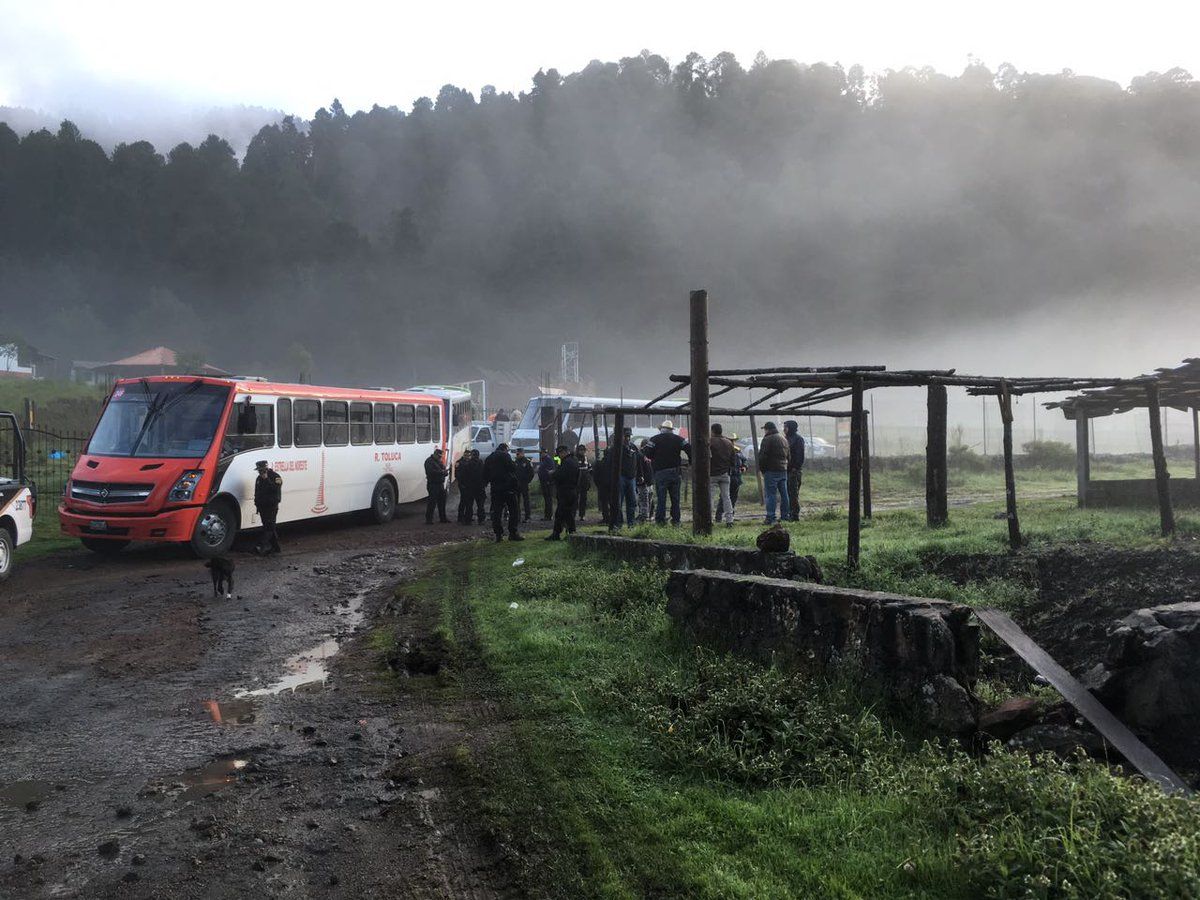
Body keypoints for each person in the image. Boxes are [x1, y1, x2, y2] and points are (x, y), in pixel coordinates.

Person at [642, 420, 692, 526]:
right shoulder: (679, 439)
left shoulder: (654, 439)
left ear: (662, 429)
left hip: (660, 473)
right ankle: (676, 521)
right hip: (675, 473)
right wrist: (691, 462)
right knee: (675, 498)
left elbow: (648, 454)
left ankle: (660, 521)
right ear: (671, 430)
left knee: (661, 498)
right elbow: (689, 449)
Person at [483, 443, 523, 542]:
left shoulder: (489, 458)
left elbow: (485, 474)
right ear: (505, 449)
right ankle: (513, 533)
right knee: (513, 510)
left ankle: (498, 535)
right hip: (508, 488)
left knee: (497, 512)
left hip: (495, 488)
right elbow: (513, 468)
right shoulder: (505, 456)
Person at [546, 444, 580, 540]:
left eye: (559, 453)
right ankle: (562, 533)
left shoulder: (567, 462)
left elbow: (561, 475)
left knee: (564, 513)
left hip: (566, 491)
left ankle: (568, 533)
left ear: (563, 452)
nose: (559, 456)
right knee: (564, 513)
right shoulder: (574, 460)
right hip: (572, 490)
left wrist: (553, 474)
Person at [759, 421, 790, 524]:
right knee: (784, 494)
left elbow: (763, 456)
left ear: (767, 429)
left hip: (771, 470)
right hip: (783, 470)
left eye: (764, 429)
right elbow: (789, 456)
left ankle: (771, 518)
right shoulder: (783, 439)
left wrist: (762, 469)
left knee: (771, 494)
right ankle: (785, 516)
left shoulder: (767, 439)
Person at [709, 423, 737, 527]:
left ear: (712, 430)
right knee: (726, 497)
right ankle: (729, 520)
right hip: (725, 474)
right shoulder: (729, 442)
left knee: (710, 497)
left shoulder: (710, 441)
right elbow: (733, 460)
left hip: (712, 474)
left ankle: (709, 519)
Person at [253, 459, 283, 555]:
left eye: (262, 470)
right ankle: (276, 548)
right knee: (269, 526)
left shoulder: (276, 476)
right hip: (262, 507)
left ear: (266, 469)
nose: (260, 472)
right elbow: (257, 492)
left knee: (269, 527)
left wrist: (266, 479)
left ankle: (261, 546)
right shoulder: (258, 479)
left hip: (271, 506)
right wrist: (256, 502)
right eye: (259, 470)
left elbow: (275, 489)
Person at [616, 427, 641, 527]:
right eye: (625, 436)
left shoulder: (633, 447)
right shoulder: (617, 448)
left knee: (632, 502)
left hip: (631, 478)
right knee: (619, 501)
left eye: (628, 436)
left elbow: (639, 460)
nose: (627, 438)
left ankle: (631, 523)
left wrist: (639, 475)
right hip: (621, 477)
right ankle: (619, 523)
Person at [784, 420, 806, 521]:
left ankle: (794, 514)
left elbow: (800, 455)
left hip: (794, 471)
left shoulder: (798, 439)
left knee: (793, 493)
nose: (784, 429)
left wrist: (795, 467)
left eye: (786, 427)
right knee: (788, 493)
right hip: (786, 470)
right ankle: (789, 513)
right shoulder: (786, 439)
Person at [722, 436, 747, 523]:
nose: (732, 443)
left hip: (737, 477)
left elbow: (744, 461)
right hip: (727, 476)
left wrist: (744, 467)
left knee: (733, 497)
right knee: (724, 497)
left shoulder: (738, 451)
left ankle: (731, 515)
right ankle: (719, 516)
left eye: (733, 441)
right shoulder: (724, 451)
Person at [424, 448, 449, 524]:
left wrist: (444, 472)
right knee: (432, 503)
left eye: (440, 456)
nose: (440, 458)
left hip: (440, 484)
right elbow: (431, 472)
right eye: (439, 456)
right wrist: (442, 472)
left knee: (442, 502)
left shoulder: (438, 461)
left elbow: (443, 468)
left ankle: (443, 518)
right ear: (435, 454)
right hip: (433, 484)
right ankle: (429, 520)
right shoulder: (429, 461)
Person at [514, 448, 535, 523]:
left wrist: (527, 481)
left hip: (524, 484)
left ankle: (527, 516)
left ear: (522, 453)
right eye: (516, 454)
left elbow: (532, 473)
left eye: (518, 454)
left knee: (526, 500)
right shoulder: (515, 462)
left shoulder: (527, 462)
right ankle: (517, 516)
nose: (517, 455)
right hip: (517, 484)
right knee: (516, 501)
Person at [593, 446, 612, 525]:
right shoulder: (613, 464)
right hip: (611, 485)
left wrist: (598, 485)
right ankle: (612, 517)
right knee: (612, 502)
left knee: (604, 503)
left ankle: (606, 518)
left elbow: (595, 476)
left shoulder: (599, 463)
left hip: (602, 485)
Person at [636, 439, 653, 522]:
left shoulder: (646, 454)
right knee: (644, 498)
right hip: (646, 480)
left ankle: (646, 515)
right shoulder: (640, 455)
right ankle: (644, 515)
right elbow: (640, 467)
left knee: (647, 498)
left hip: (649, 480)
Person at [536, 449, 556, 520]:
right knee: (546, 499)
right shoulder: (543, 460)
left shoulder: (548, 460)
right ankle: (546, 515)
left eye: (542, 453)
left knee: (548, 499)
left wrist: (549, 480)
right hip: (543, 482)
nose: (541, 454)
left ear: (545, 453)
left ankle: (549, 515)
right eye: (540, 453)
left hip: (547, 482)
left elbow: (551, 471)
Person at [574, 444, 592, 522]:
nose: (582, 452)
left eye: (583, 450)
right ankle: (573, 514)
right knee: (575, 499)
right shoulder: (575, 459)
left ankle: (582, 515)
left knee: (583, 499)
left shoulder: (586, 458)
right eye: (581, 450)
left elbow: (589, 469)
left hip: (584, 482)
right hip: (576, 482)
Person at [470, 449, 487, 523]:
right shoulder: (481, 463)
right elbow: (485, 474)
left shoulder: (469, 463)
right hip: (480, 487)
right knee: (480, 505)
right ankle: (481, 519)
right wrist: (484, 484)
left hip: (471, 487)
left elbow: (465, 475)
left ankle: (468, 519)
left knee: (469, 504)